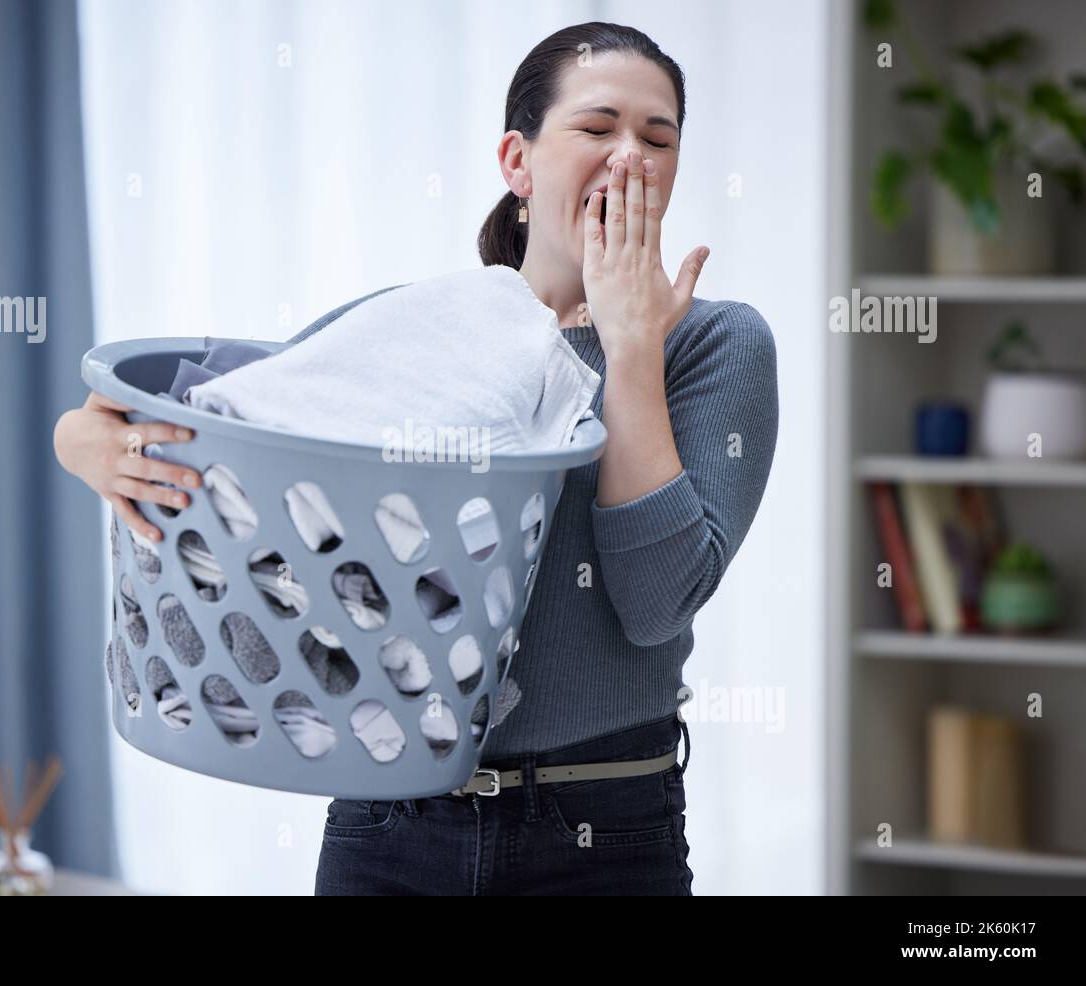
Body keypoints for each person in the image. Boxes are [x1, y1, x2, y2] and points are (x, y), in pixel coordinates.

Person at [54, 20, 779, 896]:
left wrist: (630, 349)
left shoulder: (714, 344)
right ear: (518, 161)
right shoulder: (431, 329)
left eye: (657, 137)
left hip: (601, 831)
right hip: (387, 823)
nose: (631, 155)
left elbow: (656, 605)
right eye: (598, 128)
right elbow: (238, 413)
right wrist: (84, 438)